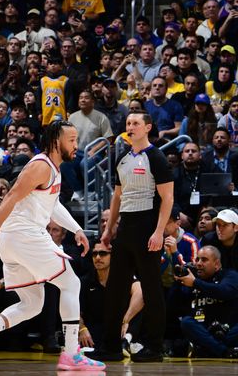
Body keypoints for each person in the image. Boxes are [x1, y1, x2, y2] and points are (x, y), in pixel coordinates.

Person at [0, 121, 103, 370]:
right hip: (24, 235)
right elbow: (12, 195)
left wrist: (76, 229)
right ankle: (71, 354)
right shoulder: (40, 165)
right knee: (71, 283)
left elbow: (53, 206)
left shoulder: (53, 170)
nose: (76, 145)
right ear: (55, 141)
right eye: (71, 140)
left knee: (32, 304)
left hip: (17, 239)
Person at [91, 111, 174, 362]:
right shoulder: (123, 158)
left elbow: (168, 198)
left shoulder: (156, 157)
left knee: (151, 288)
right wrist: (108, 229)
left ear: (148, 127)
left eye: (136, 123)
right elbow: (117, 196)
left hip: (148, 223)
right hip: (125, 226)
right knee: (116, 288)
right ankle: (111, 347)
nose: (131, 126)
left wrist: (159, 232)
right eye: (128, 123)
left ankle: (154, 347)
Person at [176, 245, 238, 357]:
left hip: (228, 330)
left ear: (217, 264)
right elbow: (174, 308)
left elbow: (224, 292)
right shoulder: (191, 279)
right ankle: (225, 352)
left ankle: (209, 349)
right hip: (204, 332)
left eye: (204, 260)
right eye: (197, 259)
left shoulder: (230, 275)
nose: (199, 263)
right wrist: (177, 283)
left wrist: (195, 283)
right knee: (186, 322)